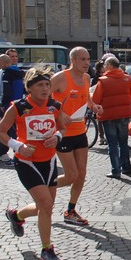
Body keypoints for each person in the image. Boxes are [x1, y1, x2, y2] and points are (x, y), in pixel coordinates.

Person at [0, 67, 66, 260]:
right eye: (40, 85)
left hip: (49, 162)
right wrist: (18, 145)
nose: (45, 89)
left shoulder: (54, 106)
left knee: (46, 207)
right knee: (45, 204)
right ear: (30, 88)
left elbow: (62, 127)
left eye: (47, 85)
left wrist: (57, 137)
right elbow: (0, 132)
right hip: (27, 162)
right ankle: (47, 249)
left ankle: (16, 215)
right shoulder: (18, 107)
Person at [51, 46, 103, 226]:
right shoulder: (60, 78)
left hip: (80, 132)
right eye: (82, 59)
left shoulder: (87, 78)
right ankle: (45, 186)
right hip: (63, 134)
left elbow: (85, 98)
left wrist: (93, 106)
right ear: (72, 60)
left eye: (88, 59)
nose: (87, 63)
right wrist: (58, 114)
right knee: (71, 175)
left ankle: (70, 211)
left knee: (81, 175)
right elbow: (41, 98)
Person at [91, 56, 131, 178]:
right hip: (123, 114)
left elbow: (96, 99)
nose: (104, 67)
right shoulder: (127, 78)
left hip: (108, 115)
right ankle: (126, 167)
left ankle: (116, 170)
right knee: (123, 143)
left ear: (110, 66)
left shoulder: (103, 81)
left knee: (112, 144)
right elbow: (130, 95)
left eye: (105, 65)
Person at [0, 54, 25, 164]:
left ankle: (16, 155)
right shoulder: (20, 72)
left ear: (2, 63)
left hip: (10, 106)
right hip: (20, 104)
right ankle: (8, 152)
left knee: (8, 131)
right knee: (14, 130)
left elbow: (6, 91)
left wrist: (2, 104)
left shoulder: (6, 74)